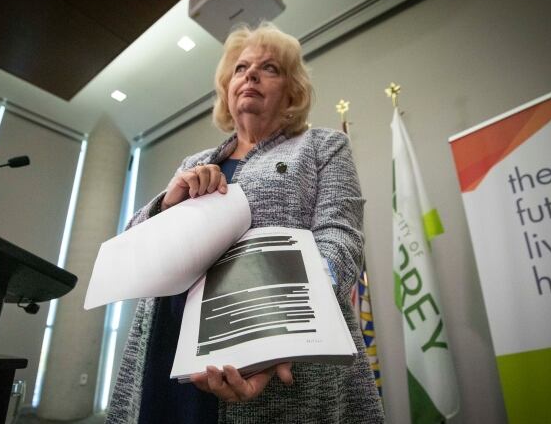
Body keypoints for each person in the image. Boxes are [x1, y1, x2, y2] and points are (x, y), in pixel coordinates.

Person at [106, 23, 385, 424]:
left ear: (292, 90)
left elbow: (340, 237)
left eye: (268, 67)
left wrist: (289, 325)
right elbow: (134, 246)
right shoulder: (194, 163)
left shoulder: (323, 146)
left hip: (284, 349)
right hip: (171, 342)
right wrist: (168, 203)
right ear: (227, 89)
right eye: (240, 68)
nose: (250, 74)